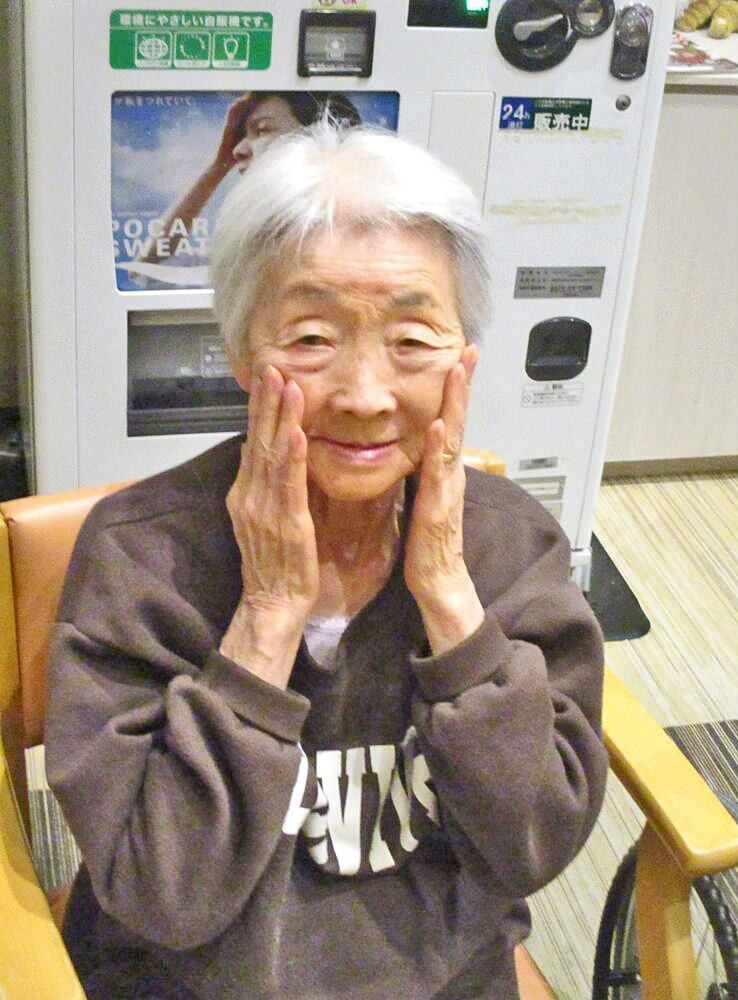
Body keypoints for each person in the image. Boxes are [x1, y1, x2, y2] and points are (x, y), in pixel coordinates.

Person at [47, 120, 608, 1000]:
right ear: (243, 354)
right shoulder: (141, 558)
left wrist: (451, 603)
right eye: (311, 338)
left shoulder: (511, 548)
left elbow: (530, 845)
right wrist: (267, 617)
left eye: (412, 341)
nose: (365, 394)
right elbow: (161, 895)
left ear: (462, 361)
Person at [136, 90, 361, 265]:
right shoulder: (248, 245)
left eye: (262, 130)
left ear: (321, 136)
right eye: (241, 137)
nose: (238, 150)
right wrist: (219, 165)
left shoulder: (359, 239)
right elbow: (146, 267)